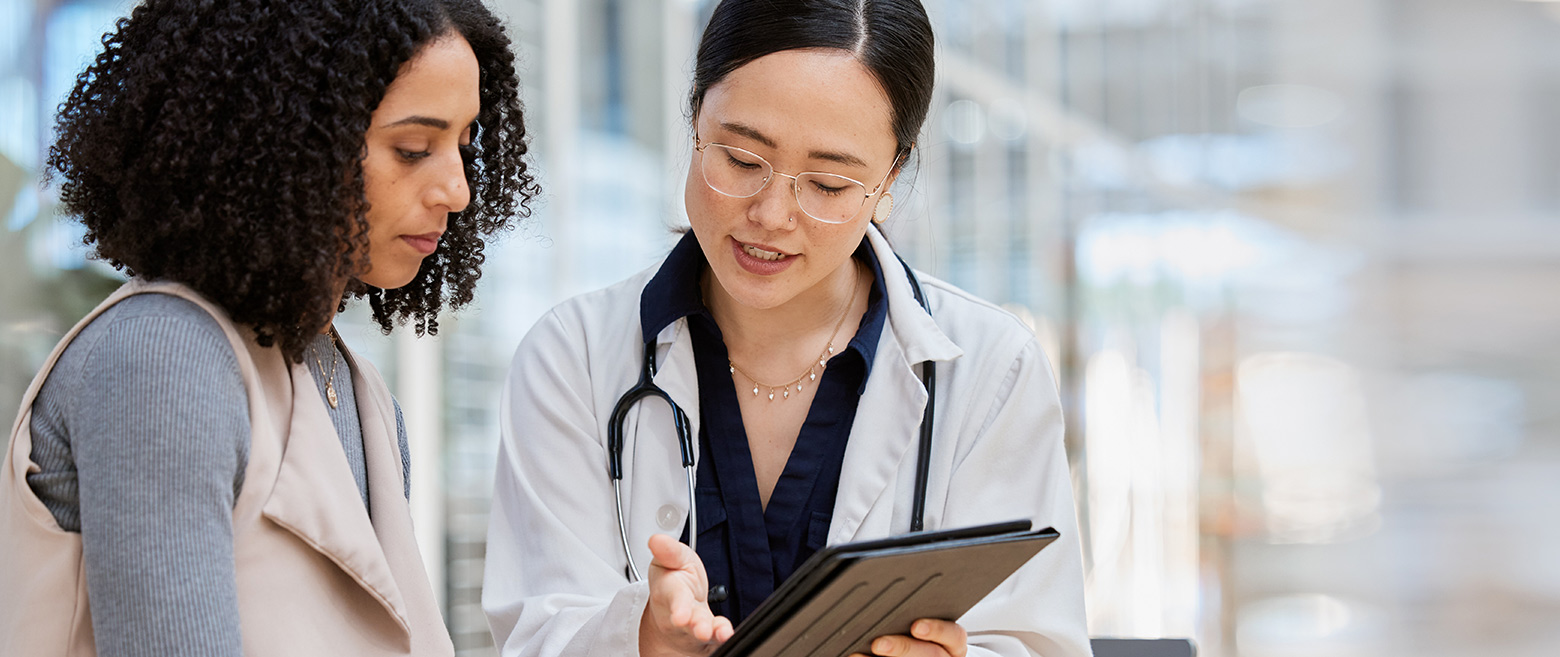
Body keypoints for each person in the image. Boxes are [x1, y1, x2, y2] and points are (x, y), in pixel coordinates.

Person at [482, 1, 1089, 656]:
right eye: (742, 158)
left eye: (827, 184)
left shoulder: (991, 371)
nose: (771, 214)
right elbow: (538, 631)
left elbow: (1039, 640)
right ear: (694, 119)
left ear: (889, 179)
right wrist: (641, 637)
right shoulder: (572, 357)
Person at [0, 1, 536, 655]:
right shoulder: (163, 358)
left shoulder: (358, 391)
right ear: (283, 140)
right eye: (413, 148)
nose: (456, 189)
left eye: (462, 144)